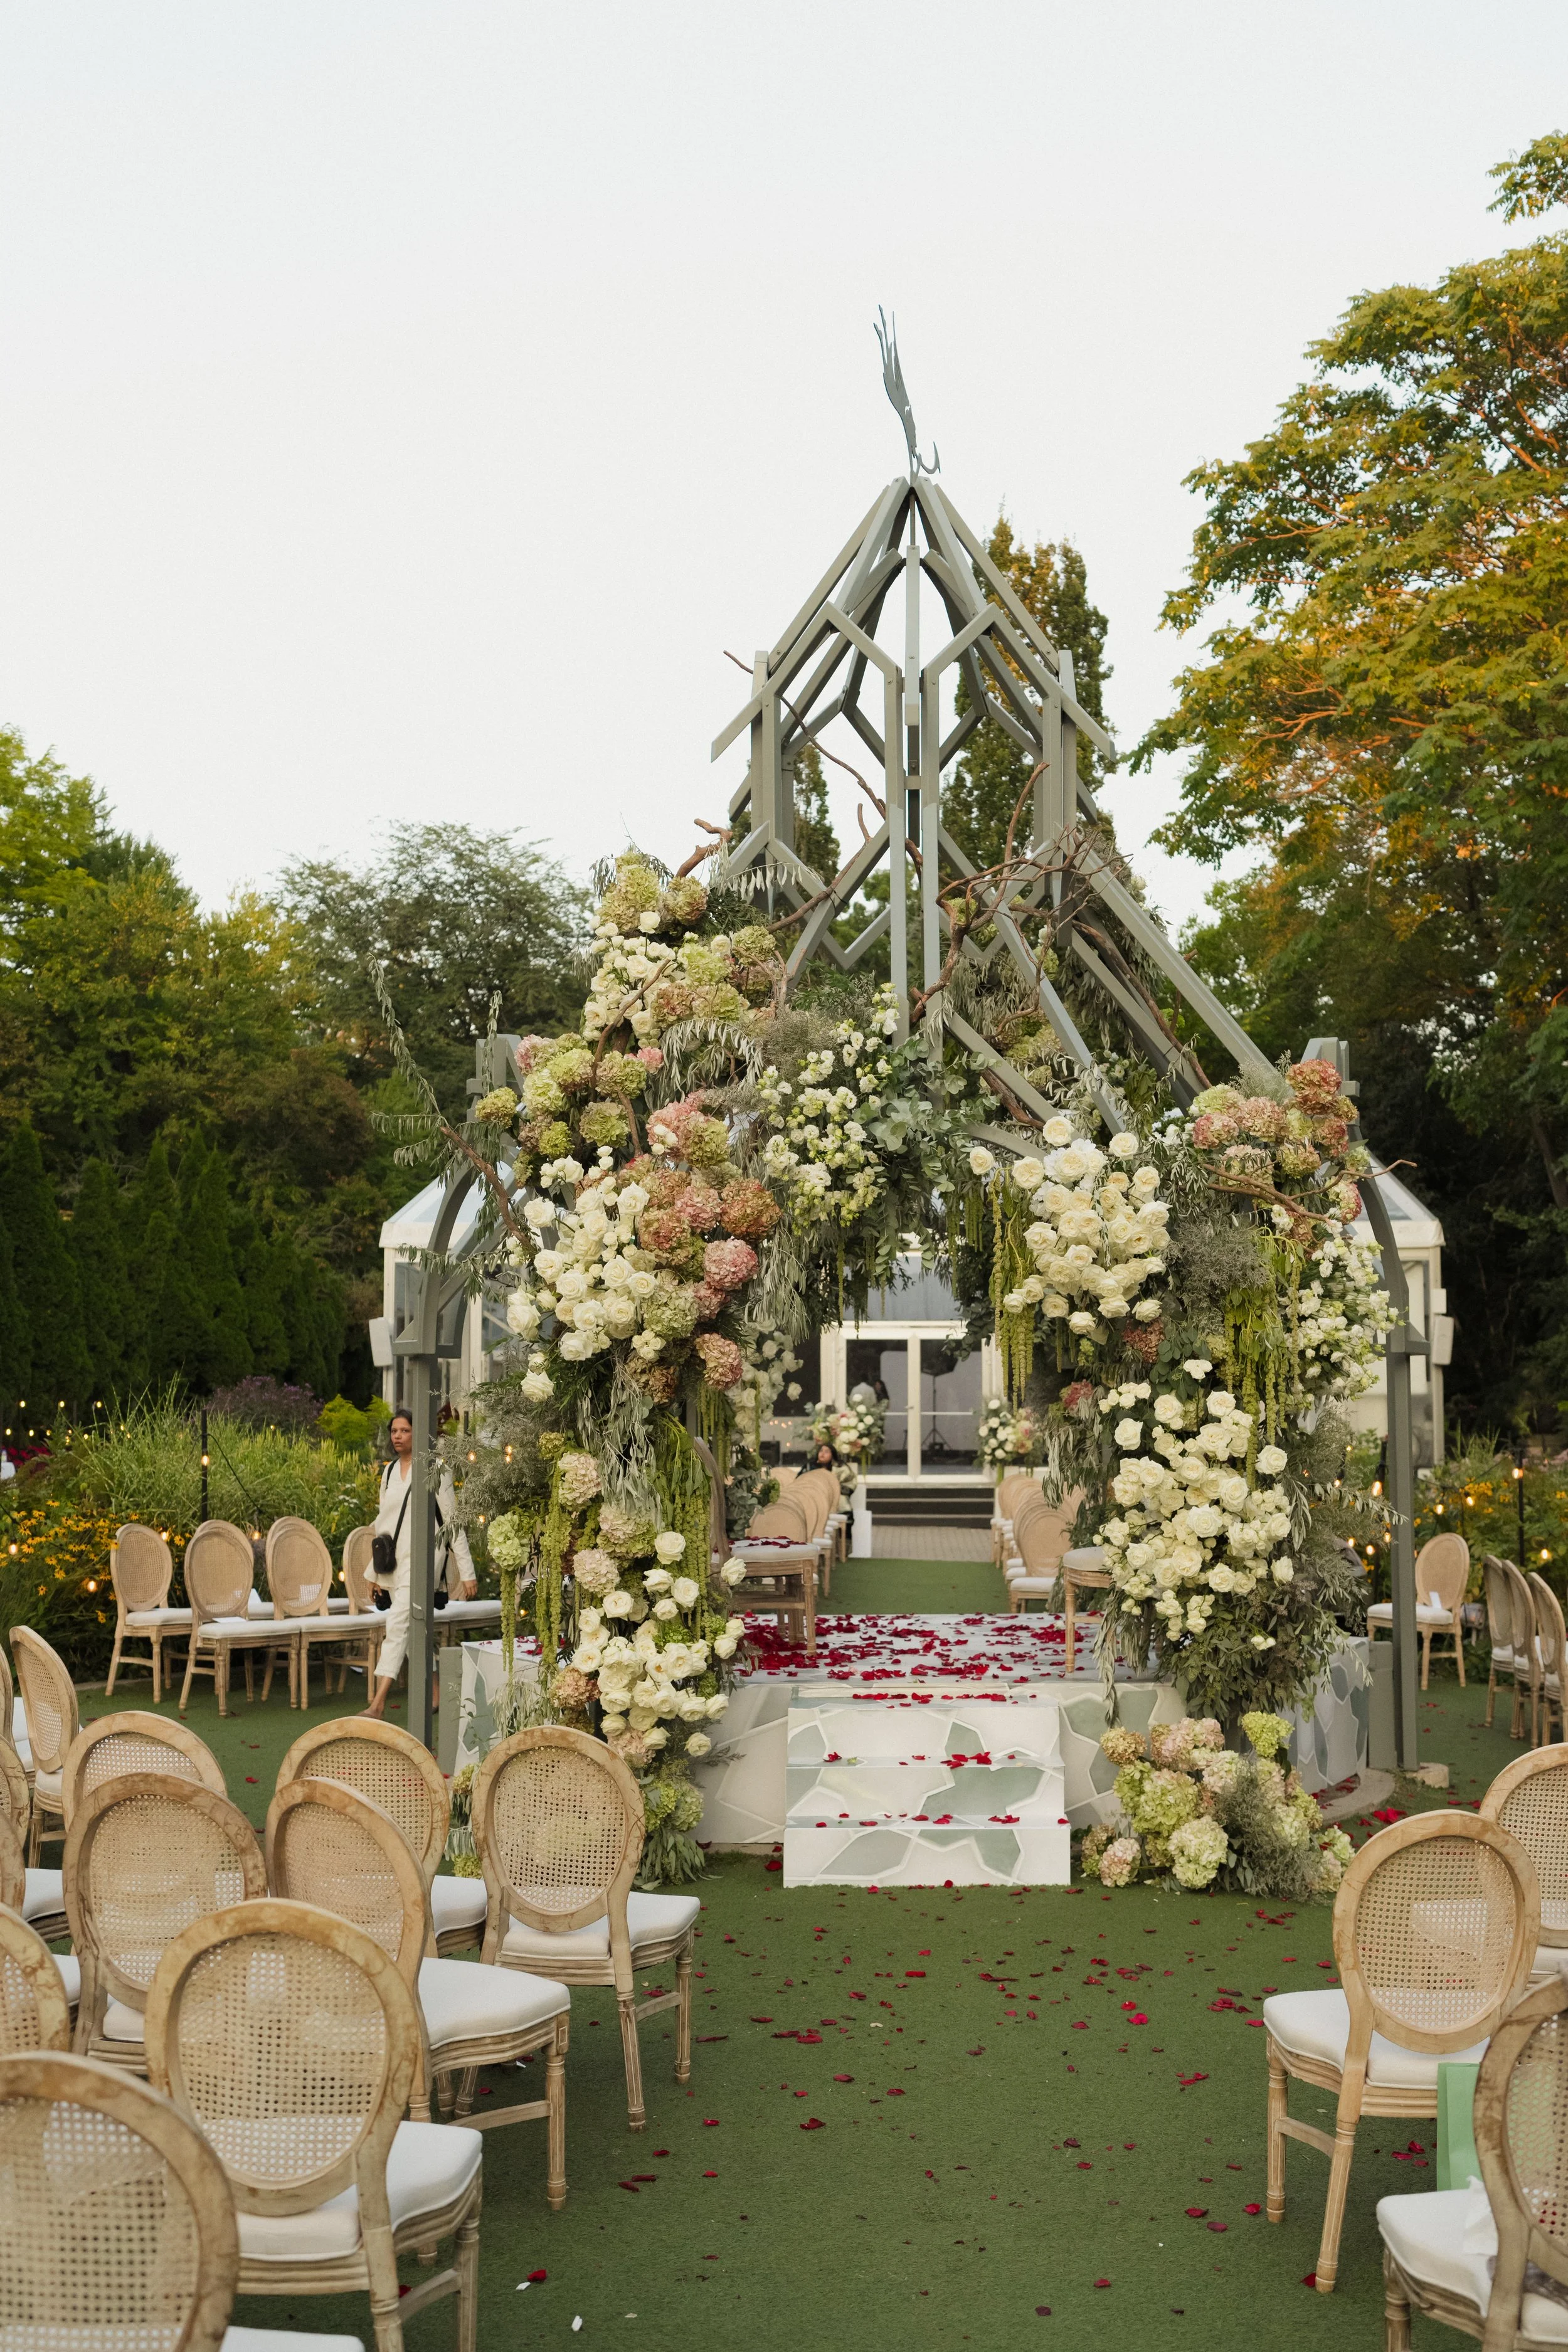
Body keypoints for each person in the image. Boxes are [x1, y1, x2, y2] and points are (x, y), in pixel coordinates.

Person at [362, 1407, 477, 1720]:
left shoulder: (435, 1468)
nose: (397, 1436)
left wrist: (467, 1572)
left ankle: (378, 1703)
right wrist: (374, 1572)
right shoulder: (387, 1472)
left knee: (397, 1624)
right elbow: (382, 1524)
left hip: (425, 1558)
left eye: (405, 1431)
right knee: (415, 1630)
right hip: (394, 1561)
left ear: (418, 1433)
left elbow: (453, 1521)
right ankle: (437, 1692)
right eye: (394, 1431)